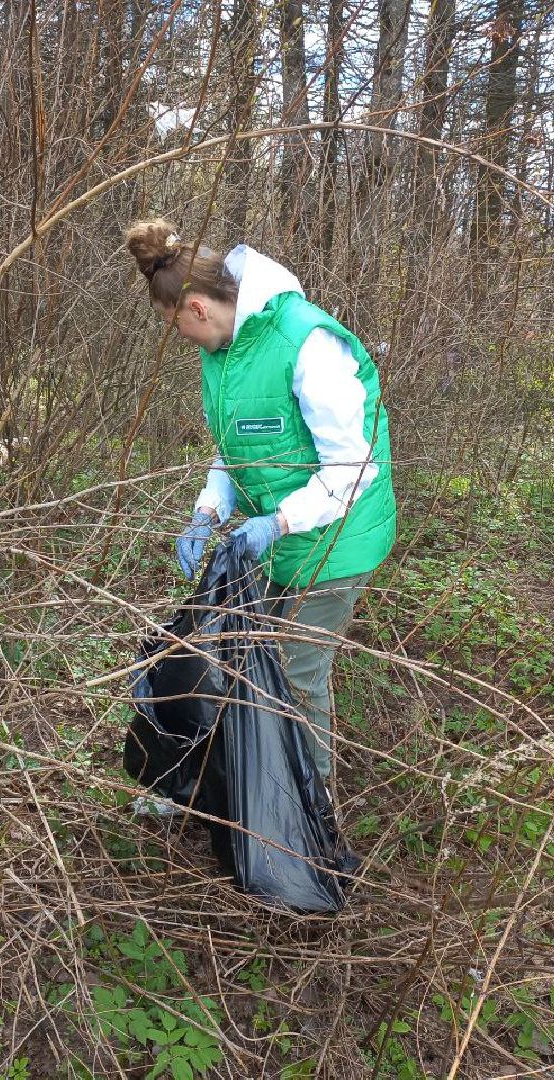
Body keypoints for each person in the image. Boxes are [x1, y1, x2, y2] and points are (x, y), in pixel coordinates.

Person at [125, 219, 397, 784]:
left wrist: (279, 522)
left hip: (338, 539)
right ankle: (250, 786)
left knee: (295, 674)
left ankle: (311, 809)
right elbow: (235, 448)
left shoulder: (306, 343)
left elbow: (353, 467)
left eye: (175, 325)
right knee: (249, 661)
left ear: (198, 307)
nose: (179, 338)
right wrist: (207, 512)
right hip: (279, 538)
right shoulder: (222, 355)